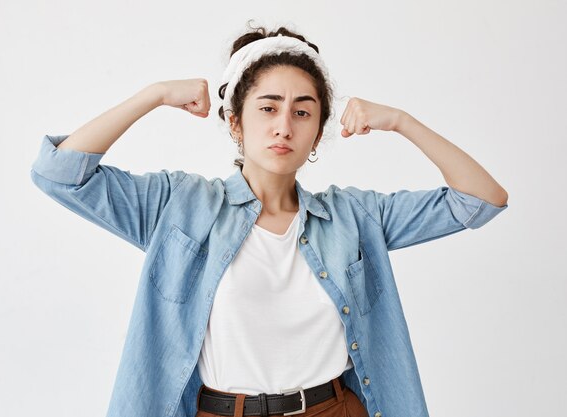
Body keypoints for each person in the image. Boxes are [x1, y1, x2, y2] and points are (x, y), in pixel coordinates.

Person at [30, 24, 508, 417]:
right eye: (268, 107)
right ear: (235, 121)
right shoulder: (179, 207)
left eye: (303, 112)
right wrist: (154, 95)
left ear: (318, 133)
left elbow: (482, 199)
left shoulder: (354, 217)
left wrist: (402, 120)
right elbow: (59, 174)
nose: (284, 126)